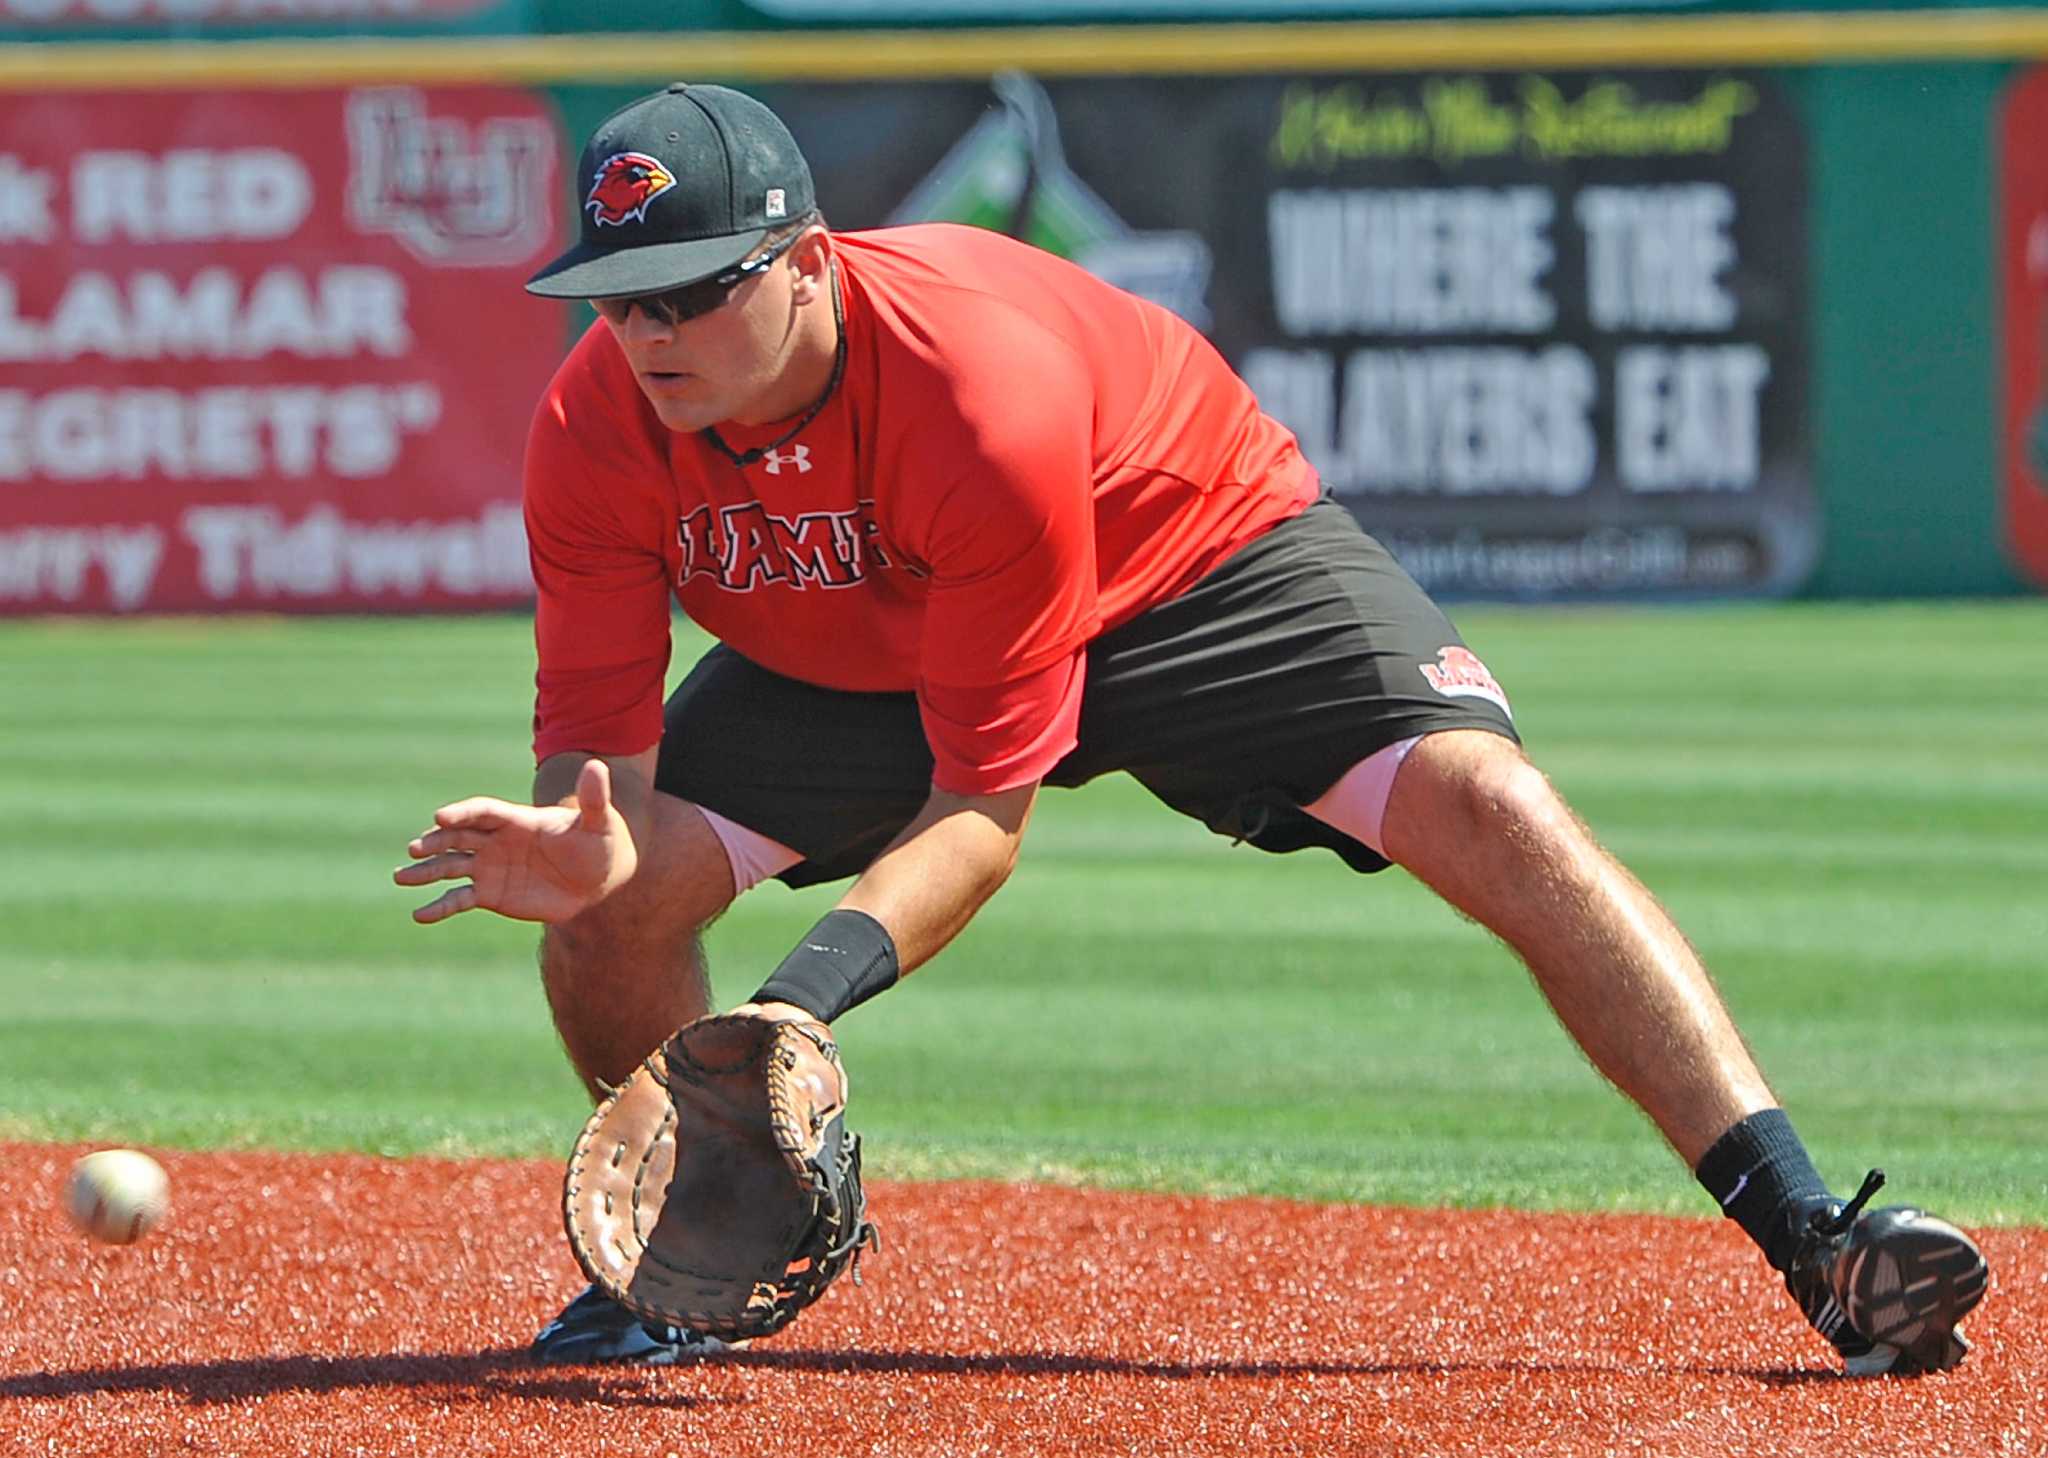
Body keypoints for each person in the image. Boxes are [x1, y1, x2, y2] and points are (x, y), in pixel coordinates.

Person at [395, 82, 1988, 1373]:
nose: (648, 333)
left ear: (808, 260)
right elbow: (597, 783)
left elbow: (984, 814)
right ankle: (680, 1264)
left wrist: (796, 1011)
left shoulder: (971, 391)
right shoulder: (598, 426)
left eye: (691, 288)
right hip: (877, 630)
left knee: (1491, 807)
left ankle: (1818, 1243)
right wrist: (585, 838)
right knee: (613, 906)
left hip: (1187, 555)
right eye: (615, 300)